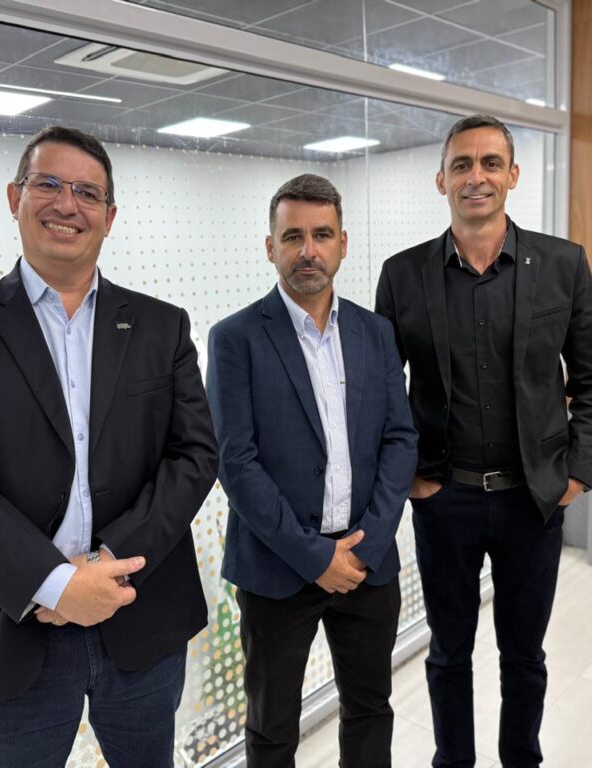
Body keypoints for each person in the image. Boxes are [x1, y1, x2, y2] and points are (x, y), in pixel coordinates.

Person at [0, 125, 218, 768]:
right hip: (9, 627)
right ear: (14, 197)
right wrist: (54, 583)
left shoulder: (162, 325)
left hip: (140, 616)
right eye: (47, 184)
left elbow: (194, 456)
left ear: (110, 217)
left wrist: (108, 562)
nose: (66, 204)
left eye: (87, 192)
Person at [375, 114, 592, 768]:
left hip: (532, 500)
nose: (475, 177)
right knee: (448, 653)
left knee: (524, 656)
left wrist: (577, 472)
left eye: (489, 163)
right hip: (444, 498)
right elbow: (382, 390)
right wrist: (410, 476)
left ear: (512, 175)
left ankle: (521, 760)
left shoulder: (564, 265)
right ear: (441, 180)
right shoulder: (402, 275)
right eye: (461, 164)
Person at [207, 173, 418, 767]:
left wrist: (367, 545)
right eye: (292, 236)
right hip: (276, 569)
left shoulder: (376, 333)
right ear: (270, 247)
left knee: (370, 709)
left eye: (322, 235)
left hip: (367, 565)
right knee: (272, 727)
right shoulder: (235, 339)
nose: (308, 250)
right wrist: (314, 557)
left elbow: (400, 438)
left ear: (342, 243)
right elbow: (235, 462)